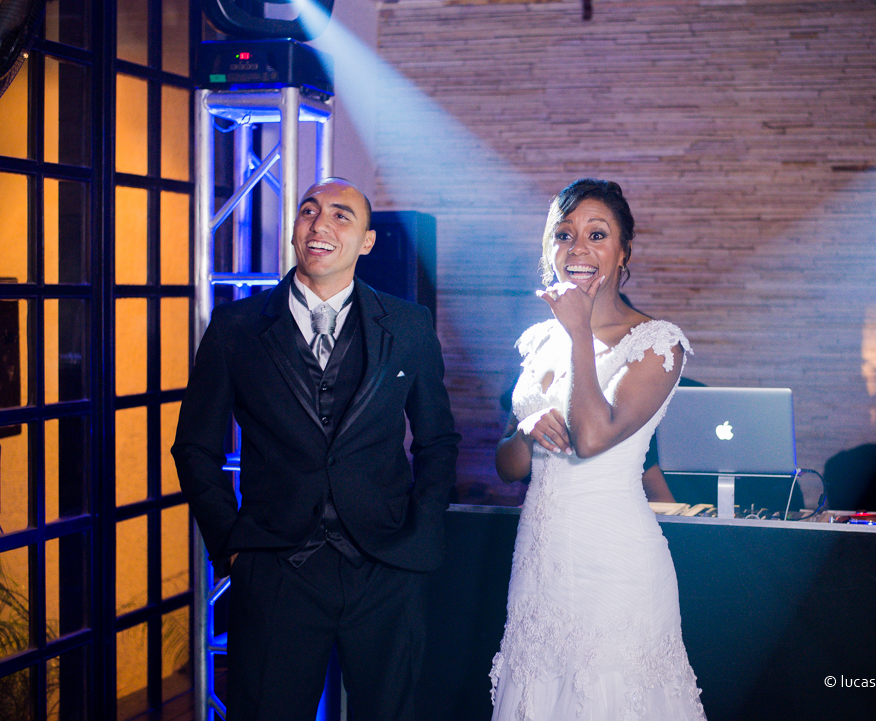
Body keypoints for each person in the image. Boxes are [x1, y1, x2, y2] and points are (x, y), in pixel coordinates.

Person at [172, 178, 460, 721]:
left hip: (385, 569)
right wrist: (233, 545)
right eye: (309, 211)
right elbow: (194, 447)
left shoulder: (408, 325)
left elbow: (438, 441)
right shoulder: (236, 327)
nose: (320, 224)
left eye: (340, 215)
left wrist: (419, 535)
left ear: (367, 241)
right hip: (275, 571)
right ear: (295, 230)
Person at [489, 179, 706, 720]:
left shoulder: (657, 343)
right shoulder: (538, 340)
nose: (578, 249)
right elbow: (508, 467)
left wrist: (580, 332)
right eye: (564, 235)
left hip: (614, 566)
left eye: (597, 234)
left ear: (623, 251)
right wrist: (525, 431)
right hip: (539, 563)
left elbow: (590, 438)